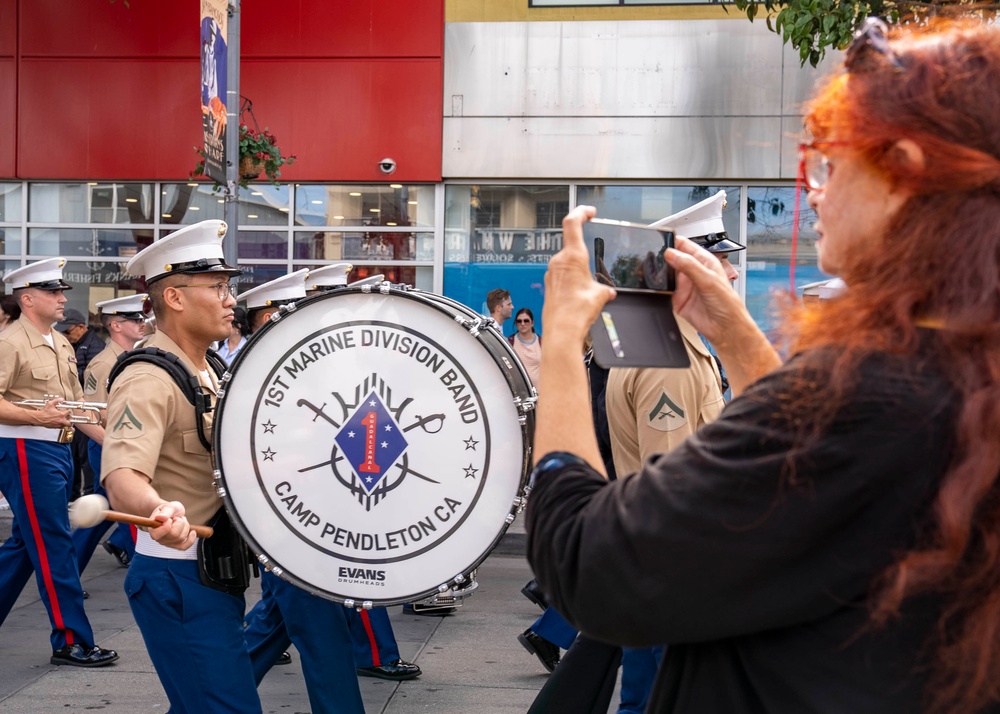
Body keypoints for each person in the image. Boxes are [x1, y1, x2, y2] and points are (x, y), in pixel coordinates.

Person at [525, 17, 1000, 714]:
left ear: (904, 169)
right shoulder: (957, 365)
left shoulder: (872, 390)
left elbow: (586, 565)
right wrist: (735, 333)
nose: (814, 191)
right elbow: (811, 476)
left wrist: (564, 344)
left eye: (831, 164)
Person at [101, 220, 262, 713]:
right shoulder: (149, 376)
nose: (230, 298)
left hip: (213, 574)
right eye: (217, 287)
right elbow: (122, 477)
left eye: (227, 286)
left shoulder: (208, 367)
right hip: (180, 578)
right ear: (173, 297)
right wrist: (159, 510)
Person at [607, 192, 743, 714]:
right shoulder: (671, 360)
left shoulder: (676, 343)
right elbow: (674, 493)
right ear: (687, 273)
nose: (731, 275)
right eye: (723, 261)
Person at [238, 269, 367, 714]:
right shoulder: (264, 371)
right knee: (323, 635)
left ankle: (209, 701)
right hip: (292, 525)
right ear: (272, 317)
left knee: (274, 623)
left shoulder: (312, 365)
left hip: (313, 519)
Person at [302, 263, 423, 682]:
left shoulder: (349, 352)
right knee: (354, 578)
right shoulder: (321, 355)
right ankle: (375, 653)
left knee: (304, 592)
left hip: (345, 482)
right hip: (331, 487)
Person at [0, 257, 117, 667]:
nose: (62, 298)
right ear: (28, 299)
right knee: (53, 544)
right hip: (26, 450)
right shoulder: (10, 342)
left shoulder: (59, 341)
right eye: (53, 292)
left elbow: (77, 408)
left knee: (24, 544)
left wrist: (117, 444)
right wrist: (37, 416)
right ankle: (72, 640)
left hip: (56, 449)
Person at [72, 294, 148, 571]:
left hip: (129, 443)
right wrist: (113, 443)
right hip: (108, 443)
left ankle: (67, 571)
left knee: (106, 509)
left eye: (141, 317)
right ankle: (143, 566)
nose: (142, 323)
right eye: (134, 319)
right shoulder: (104, 363)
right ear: (116, 325)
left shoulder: (134, 357)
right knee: (127, 507)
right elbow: (91, 412)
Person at [56, 307, 107, 499]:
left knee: (86, 459)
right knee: (75, 456)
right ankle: (75, 496)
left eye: (68, 331)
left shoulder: (95, 346)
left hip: (88, 409)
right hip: (76, 410)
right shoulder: (75, 344)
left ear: (81, 327)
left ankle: (87, 495)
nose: (66, 335)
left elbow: (87, 380)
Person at [508, 307, 541, 387]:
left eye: (526, 321)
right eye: (519, 321)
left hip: (540, 393)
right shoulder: (510, 342)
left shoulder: (541, 343)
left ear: (532, 323)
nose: (522, 323)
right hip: (519, 393)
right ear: (516, 324)